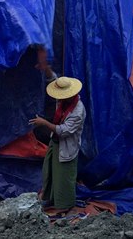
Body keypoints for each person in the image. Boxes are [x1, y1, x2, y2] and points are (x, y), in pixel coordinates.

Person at [30, 76, 86, 211]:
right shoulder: (63, 103)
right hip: (56, 142)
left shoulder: (77, 112)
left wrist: (44, 123)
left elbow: (64, 131)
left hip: (66, 144)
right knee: (49, 171)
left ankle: (64, 205)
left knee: (63, 176)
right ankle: (49, 198)